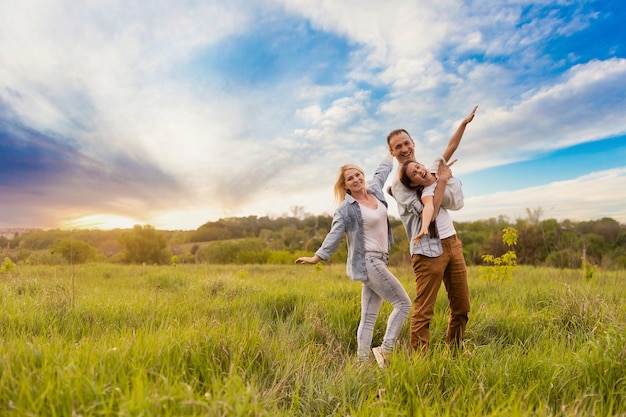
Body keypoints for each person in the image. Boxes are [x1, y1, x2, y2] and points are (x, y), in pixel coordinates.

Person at [295, 154, 411, 367]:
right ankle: (385, 351)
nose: (356, 179)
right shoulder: (346, 209)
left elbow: (381, 172)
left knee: (368, 317)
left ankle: (361, 364)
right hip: (368, 261)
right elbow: (334, 234)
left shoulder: (375, 190)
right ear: (345, 185)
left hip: (380, 260)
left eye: (358, 174)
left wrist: (390, 154)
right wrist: (317, 257)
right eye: (350, 178)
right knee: (403, 304)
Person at [387, 105, 477, 353]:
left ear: (413, 143)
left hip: (451, 242)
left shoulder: (427, 168)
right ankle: (419, 362)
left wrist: (464, 123)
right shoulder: (400, 183)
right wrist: (443, 180)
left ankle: (454, 353)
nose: (404, 149)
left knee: (462, 306)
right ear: (391, 152)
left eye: (407, 143)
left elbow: (451, 147)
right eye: (398, 147)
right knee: (424, 310)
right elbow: (432, 208)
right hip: (427, 250)